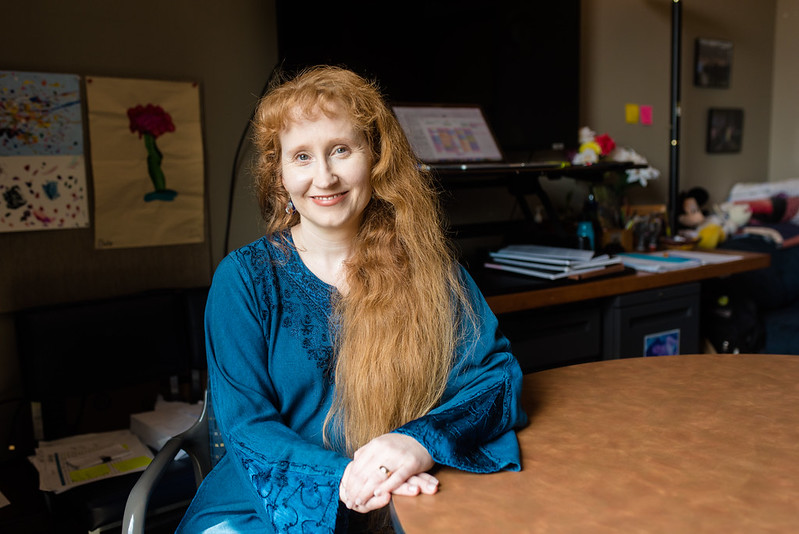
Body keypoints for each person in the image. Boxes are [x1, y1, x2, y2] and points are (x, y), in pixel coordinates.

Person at [177, 65, 528, 533]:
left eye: (341, 150)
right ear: (279, 176)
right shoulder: (243, 280)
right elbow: (246, 429)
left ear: (375, 158)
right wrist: (352, 479)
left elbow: (496, 378)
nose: (324, 177)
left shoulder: (430, 269)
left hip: (402, 499)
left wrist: (417, 443)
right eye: (301, 157)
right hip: (264, 506)